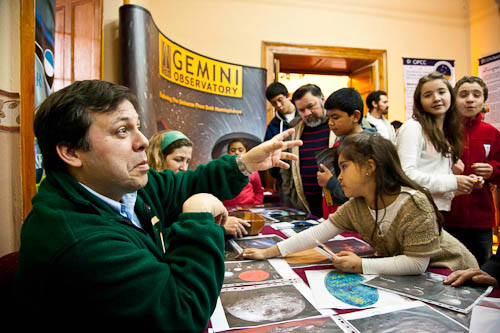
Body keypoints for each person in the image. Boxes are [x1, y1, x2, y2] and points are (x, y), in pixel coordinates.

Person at [15, 80, 302, 332]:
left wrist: (244, 164)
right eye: (121, 131)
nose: (142, 141)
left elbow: (182, 184)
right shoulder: (81, 241)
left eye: (137, 127)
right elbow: (183, 314)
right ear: (71, 152)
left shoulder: (121, 188)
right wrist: (199, 218)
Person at [239, 134, 479, 275]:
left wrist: (362, 264)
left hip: (452, 271)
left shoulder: (414, 204)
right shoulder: (357, 205)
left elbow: (417, 262)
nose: (339, 176)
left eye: (344, 167)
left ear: (369, 168)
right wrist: (268, 252)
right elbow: (317, 234)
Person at [396, 71, 477, 212]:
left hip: (436, 211)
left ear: (451, 95)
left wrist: (464, 184)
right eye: (428, 95)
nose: (436, 98)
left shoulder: (446, 132)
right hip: (415, 210)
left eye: (441, 92)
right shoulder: (413, 127)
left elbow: (438, 189)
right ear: (419, 101)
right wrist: (453, 181)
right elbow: (406, 175)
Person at [146, 130, 250, 238]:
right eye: (178, 160)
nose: (184, 168)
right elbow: (158, 238)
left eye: (187, 161)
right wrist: (216, 227)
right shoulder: (148, 193)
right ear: (158, 157)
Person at [444, 76, 500, 266]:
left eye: (476, 95)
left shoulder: (492, 133)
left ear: (484, 100)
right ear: (454, 99)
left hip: (480, 221)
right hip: (446, 217)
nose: (470, 99)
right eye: (463, 95)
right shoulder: (443, 132)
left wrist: (493, 169)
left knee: (480, 271)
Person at [317, 88, 377, 215]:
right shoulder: (341, 142)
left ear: (355, 116)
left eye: (336, 117)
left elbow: (360, 192)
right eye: (328, 118)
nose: (330, 123)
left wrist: (330, 182)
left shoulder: (368, 146)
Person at [281, 84, 334, 217]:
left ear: (322, 99)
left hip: (335, 205)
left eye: (311, 106)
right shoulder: (293, 130)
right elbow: (285, 166)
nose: (307, 113)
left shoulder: (337, 126)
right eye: (302, 110)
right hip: (304, 207)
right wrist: (291, 194)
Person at [264, 82, 298, 199]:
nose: (278, 105)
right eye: (274, 103)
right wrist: (277, 175)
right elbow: (267, 151)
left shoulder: (304, 116)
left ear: (288, 96)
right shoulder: (273, 126)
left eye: (280, 100)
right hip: (285, 178)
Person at [223, 138, 264, 206]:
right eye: (233, 150)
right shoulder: (222, 169)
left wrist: (256, 205)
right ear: (228, 153)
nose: (236, 152)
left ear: (246, 152)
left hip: (248, 209)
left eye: (240, 150)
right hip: (227, 210)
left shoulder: (253, 170)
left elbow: (258, 191)